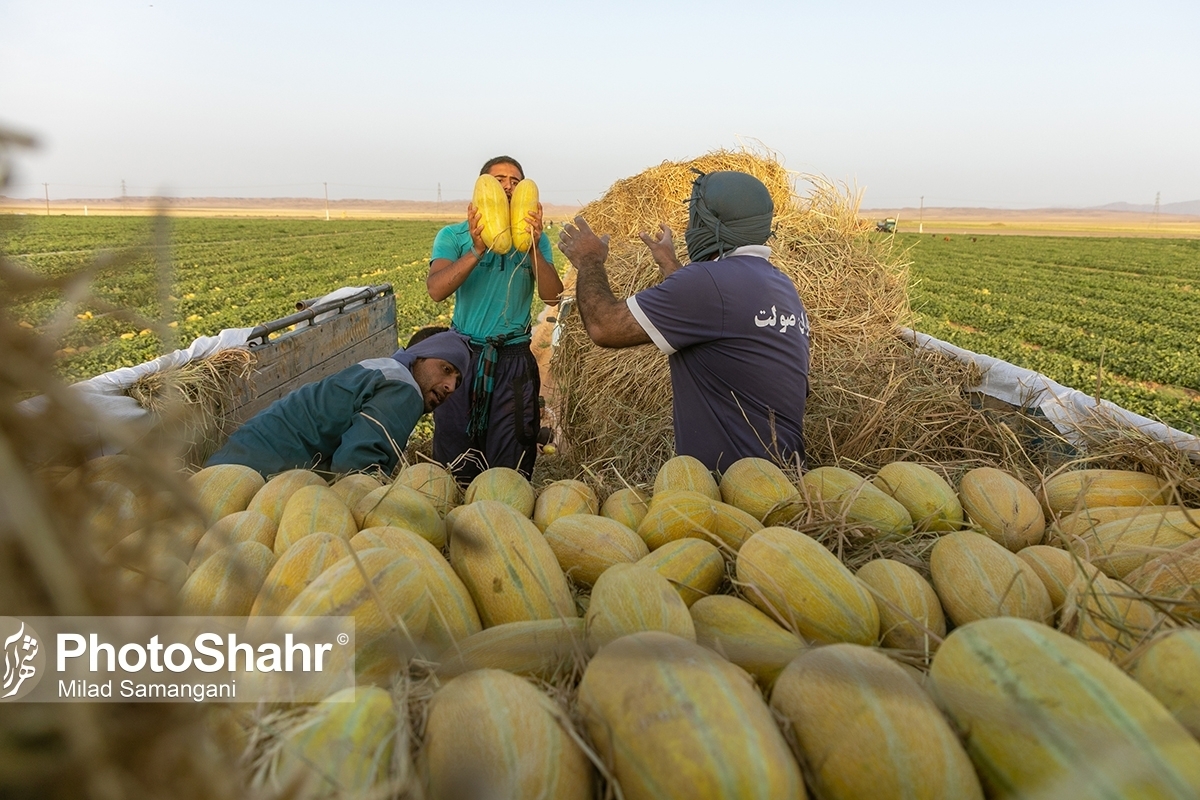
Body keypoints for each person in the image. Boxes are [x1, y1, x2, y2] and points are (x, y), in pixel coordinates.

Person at [557, 170, 810, 473]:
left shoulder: (708, 283)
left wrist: (589, 261)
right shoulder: (780, 285)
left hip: (734, 489)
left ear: (709, 223)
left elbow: (604, 326)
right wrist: (669, 264)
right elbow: (718, 317)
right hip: (781, 478)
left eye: (694, 217)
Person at [427, 156, 563, 482]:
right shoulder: (454, 235)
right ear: (482, 188)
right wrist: (476, 249)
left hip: (513, 357)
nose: (507, 186)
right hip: (462, 355)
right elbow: (436, 289)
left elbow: (553, 297)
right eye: (499, 179)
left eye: (515, 182)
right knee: (455, 455)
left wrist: (531, 248)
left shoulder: (534, 240)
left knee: (511, 454)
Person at [206, 330, 471, 478]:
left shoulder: (384, 370)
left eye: (457, 382)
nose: (450, 386)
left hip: (235, 460)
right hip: (256, 475)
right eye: (446, 368)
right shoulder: (404, 388)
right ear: (419, 358)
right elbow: (356, 469)